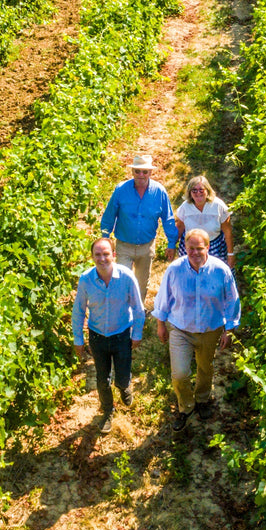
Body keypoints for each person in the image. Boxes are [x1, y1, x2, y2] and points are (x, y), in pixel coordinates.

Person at [152, 228, 240, 433]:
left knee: (205, 367)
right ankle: (186, 407)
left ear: (208, 247)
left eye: (199, 248)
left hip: (210, 329)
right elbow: (164, 299)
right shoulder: (175, 270)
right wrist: (160, 325)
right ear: (186, 248)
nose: (194, 252)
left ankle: (202, 400)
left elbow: (231, 300)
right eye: (190, 248)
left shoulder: (221, 270)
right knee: (180, 374)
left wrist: (229, 329)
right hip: (181, 329)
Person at [72, 238, 145, 434]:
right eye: (98, 254)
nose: (102, 258)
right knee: (102, 379)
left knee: (121, 377)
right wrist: (78, 338)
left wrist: (136, 334)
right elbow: (78, 310)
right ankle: (107, 411)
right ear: (92, 257)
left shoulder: (127, 277)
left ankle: (124, 385)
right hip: (98, 337)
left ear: (114, 255)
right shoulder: (86, 280)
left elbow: (138, 309)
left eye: (106, 254)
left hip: (122, 335)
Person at [100, 154, 177, 302]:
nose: (141, 175)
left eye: (145, 171)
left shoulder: (159, 192)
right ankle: (123, 313)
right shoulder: (121, 190)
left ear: (151, 172)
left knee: (142, 283)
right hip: (124, 245)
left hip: (146, 246)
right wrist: (105, 238)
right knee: (122, 281)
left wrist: (171, 243)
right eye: (137, 171)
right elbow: (109, 215)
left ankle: (138, 311)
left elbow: (168, 218)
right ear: (132, 171)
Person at [175, 175, 235, 269]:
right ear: (190, 193)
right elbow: (179, 228)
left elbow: (228, 233)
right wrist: (171, 246)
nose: (198, 193)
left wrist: (230, 254)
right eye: (194, 190)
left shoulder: (218, 206)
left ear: (207, 191)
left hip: (215, 246)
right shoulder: (185, 207)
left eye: (201, 190)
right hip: (191, 247)